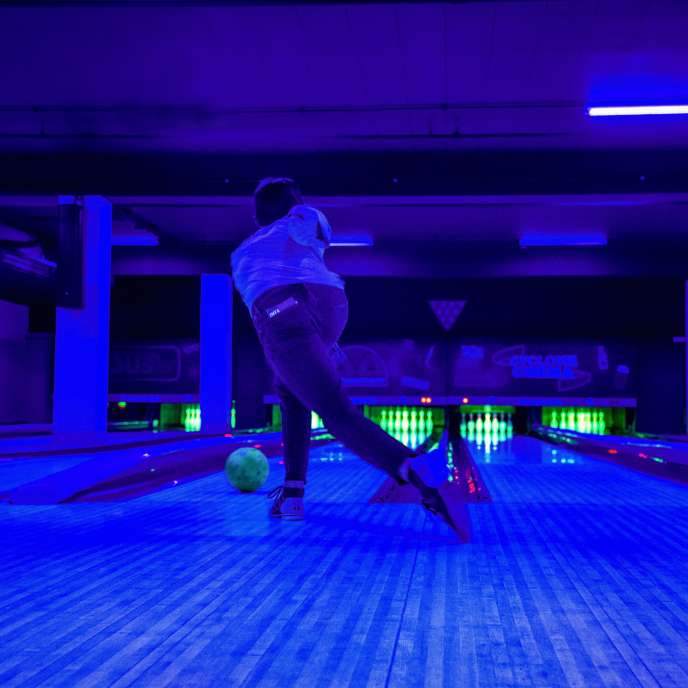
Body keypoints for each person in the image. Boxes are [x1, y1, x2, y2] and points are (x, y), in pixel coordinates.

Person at [230, 177, 463, 535]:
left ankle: (412, 467)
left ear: (258, 215)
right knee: (291, 391)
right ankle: (293, 493)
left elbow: (273, 311)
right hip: (331, 305)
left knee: (332, 407)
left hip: (281, 311)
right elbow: (317, 231)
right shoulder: (301, 225)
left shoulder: (245, 251)